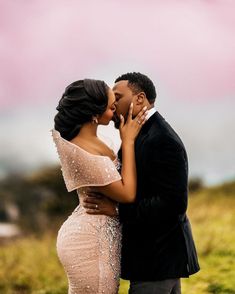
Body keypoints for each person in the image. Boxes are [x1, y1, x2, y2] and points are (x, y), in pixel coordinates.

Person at [84, 72, 200, 294]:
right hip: (155, 259)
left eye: (117, 97)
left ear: (140, 98)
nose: (112, 103)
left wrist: (117, 210)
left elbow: (173, 204)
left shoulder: (161, 139)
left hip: (156, 259)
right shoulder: (140, 134)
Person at [51, 78, 148, 294]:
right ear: (94, 112)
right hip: (89, 240)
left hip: (102, 233)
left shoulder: (97, 139)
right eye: (112, 106)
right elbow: (127, 193)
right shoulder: (83, 154)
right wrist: (129, 141)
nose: (116, 111)